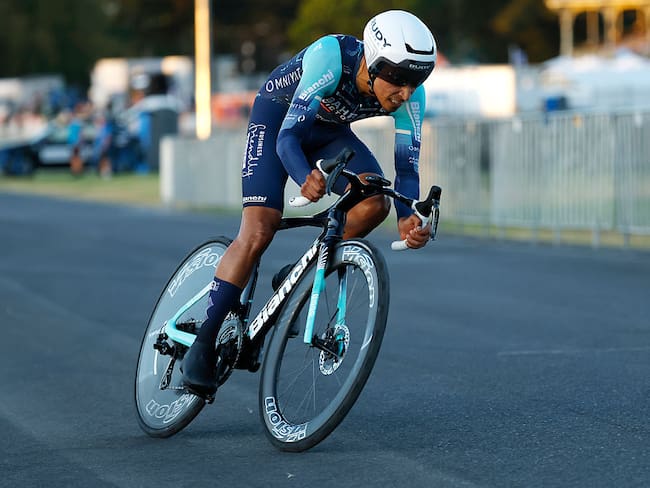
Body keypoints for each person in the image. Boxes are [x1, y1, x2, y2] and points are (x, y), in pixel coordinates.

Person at [182, 10, 438, 396]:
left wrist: (407, 216)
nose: (405, 93)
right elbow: (287, 140)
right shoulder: (330, 57)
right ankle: (203, 342)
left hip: (330, 132)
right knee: (259, 229)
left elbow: (406, 166)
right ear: (373, 61)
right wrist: (305, 177)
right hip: (278, 120)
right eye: (399, 80)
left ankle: (298, 270)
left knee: (374, 200)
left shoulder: (409, 94)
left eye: (415, 82)